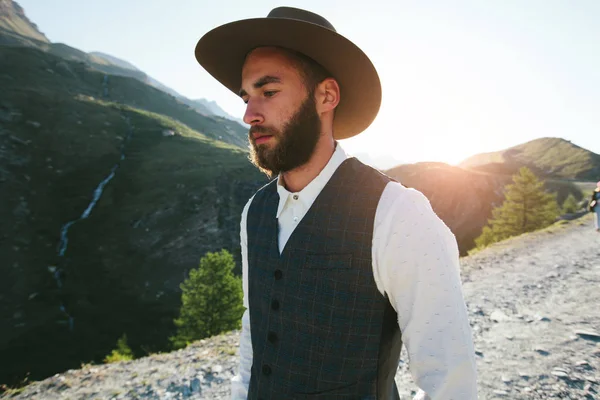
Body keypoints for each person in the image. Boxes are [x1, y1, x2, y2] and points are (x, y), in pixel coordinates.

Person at [195, 7, 478, 399]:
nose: (248, 114)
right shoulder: (254, 212)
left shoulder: (397, 212)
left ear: (326, 95)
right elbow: (254, 329)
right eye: (246, 97)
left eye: (269, 92)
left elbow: (451, 380)